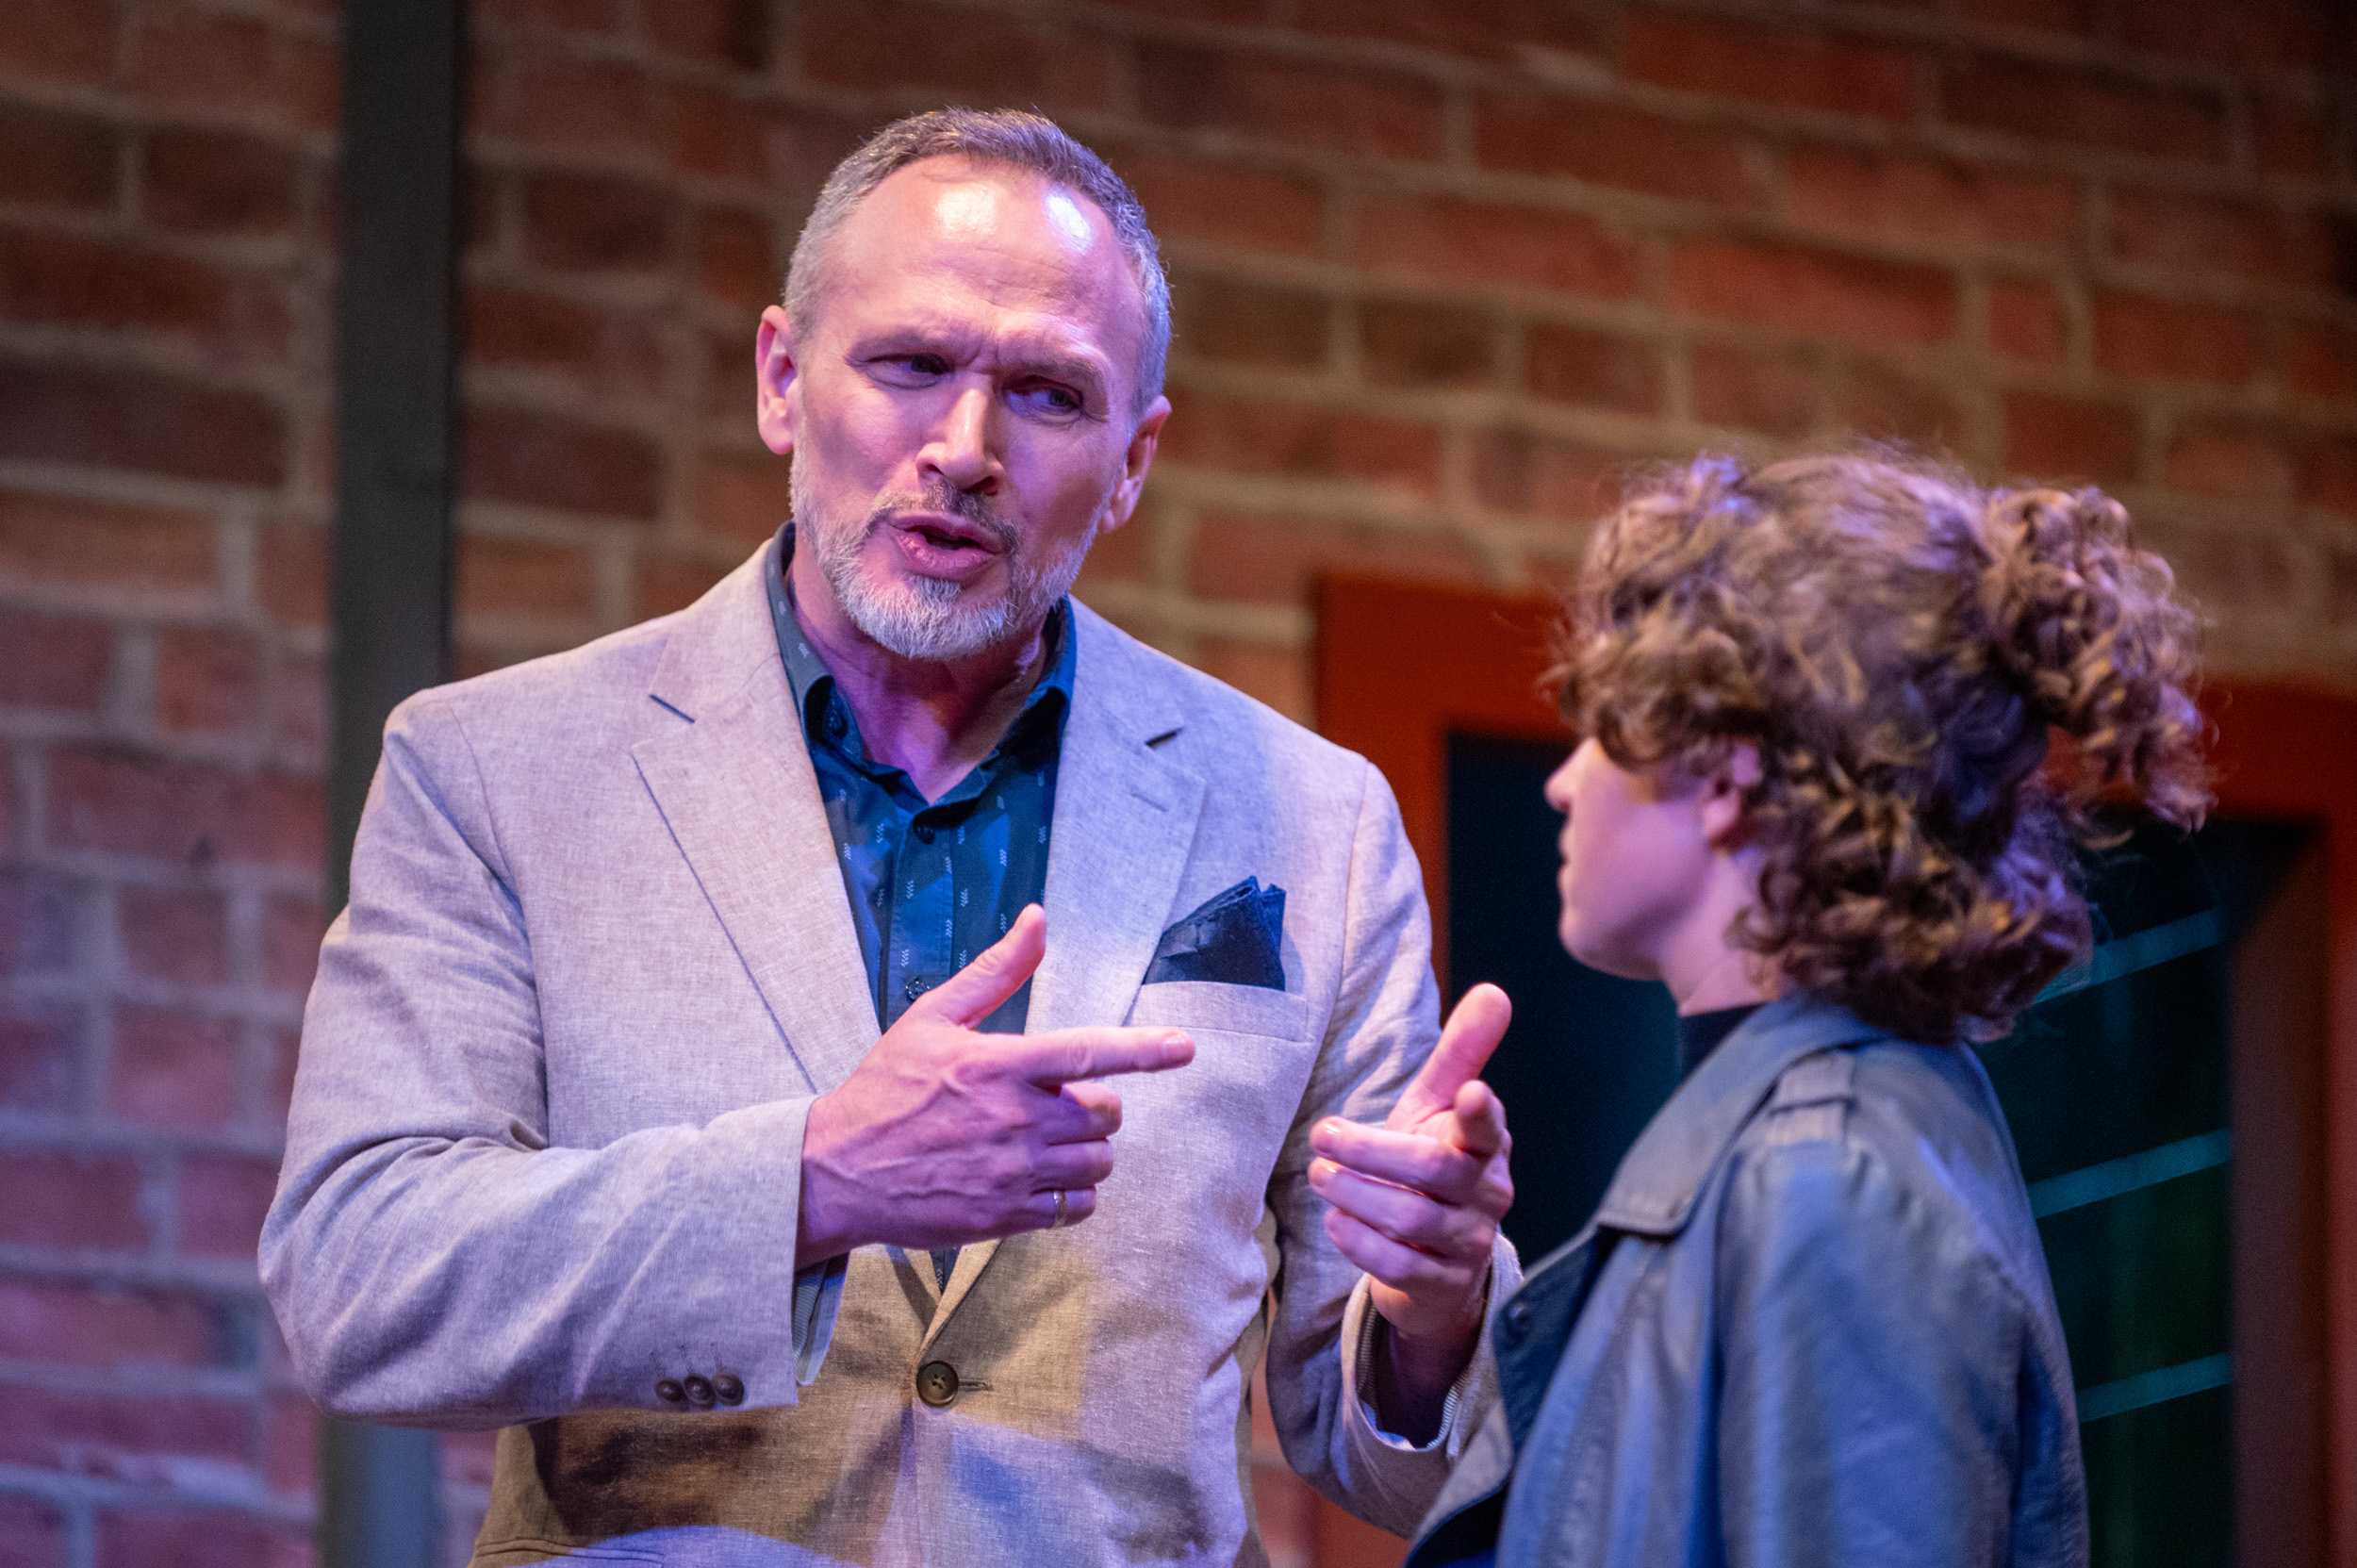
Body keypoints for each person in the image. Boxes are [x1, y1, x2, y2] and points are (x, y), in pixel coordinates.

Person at [262, 109, 1518, 1564]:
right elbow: (360, 1279)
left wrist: (1437, 1315)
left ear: (1133, 459)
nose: (966, 449)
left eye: (1049, 393)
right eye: (911, 364)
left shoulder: (1314, 817)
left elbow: (1395, 1453)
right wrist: (813, 1179)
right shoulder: (499, 768)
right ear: (782, 380)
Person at [1405, 453, 2208, 1567]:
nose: (1564, 777)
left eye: (1602, 722)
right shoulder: (1812, 1150)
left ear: (1725, 773)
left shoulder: (1831, 1179)